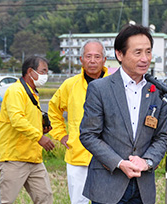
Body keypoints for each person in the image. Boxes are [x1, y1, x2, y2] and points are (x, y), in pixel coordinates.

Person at [79, 24, 167, 204]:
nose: (145, 59)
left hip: (142, 186)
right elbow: (89, 135)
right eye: (137, 53)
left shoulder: (158, 92)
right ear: (119, 54)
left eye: (148, 52)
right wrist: (119, 163)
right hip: (108, 183)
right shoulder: (100, 89)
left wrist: (148, 162)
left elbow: (162, 137)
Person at [48, 39, 109, 204]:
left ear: (104, 59)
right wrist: (61, 135)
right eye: (88, 56)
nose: (92, 60)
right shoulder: (70, 85)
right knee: (78, 201)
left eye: (97, 56)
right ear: (81, 60)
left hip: (108, 156)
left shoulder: (114, 82)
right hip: (78, 154)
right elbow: (53, 110)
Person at [0, 56, 55, 204]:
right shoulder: (16, 91)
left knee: (45, 198)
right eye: (43, 71)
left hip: (33, 157)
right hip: (15, 157)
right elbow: (17, 120)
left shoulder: (32, 93)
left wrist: (42, 130)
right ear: (30, 71)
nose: (45, 75)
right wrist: (39, 137)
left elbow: (26, 121)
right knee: (5, 200)